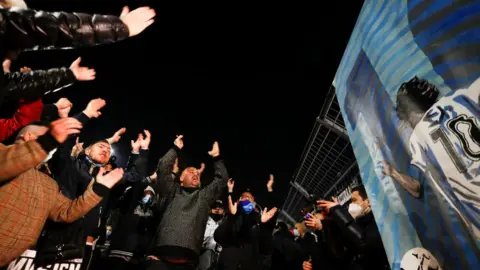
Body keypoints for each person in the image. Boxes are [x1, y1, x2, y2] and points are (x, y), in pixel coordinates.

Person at [0, 118, 125, 266]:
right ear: (29, 137)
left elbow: (65, 212)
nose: (54, 145)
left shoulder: (49, 183)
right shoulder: (4, 154)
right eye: (51, 139)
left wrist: (98, 190)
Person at [383, 76, 480, 240]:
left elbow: (416, 188)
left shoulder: (418, 139)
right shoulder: (462, 97)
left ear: (411, 111)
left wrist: (392, 172)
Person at [147, 135, 229, 270]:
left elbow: (222, 180)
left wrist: (217, 158)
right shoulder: (171, 191)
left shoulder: (204, 196)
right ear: (181, 178)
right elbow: (163, 168)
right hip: (160, 259)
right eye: (191, 172)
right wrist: (175, 149)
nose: (195, 174)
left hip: (187, 262)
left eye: (197, 172)